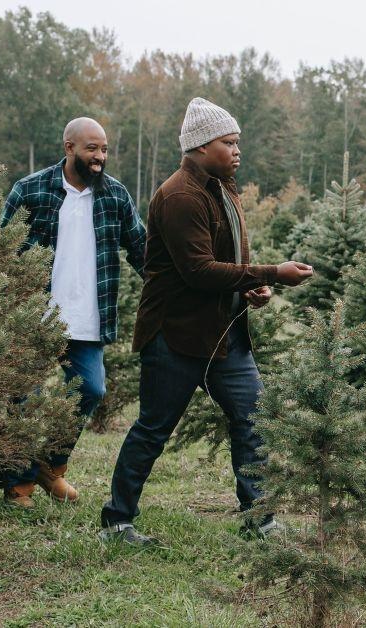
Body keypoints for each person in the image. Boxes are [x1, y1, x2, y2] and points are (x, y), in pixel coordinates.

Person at [98, 97, 314, 545]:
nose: (237, 151)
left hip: (224, 335)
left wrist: (250, 287)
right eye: (228, 143)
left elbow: (227, 257)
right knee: (153, 428)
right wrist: (274, 272)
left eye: (238, 143)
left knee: (254, 418)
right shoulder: (180, 195)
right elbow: (197, 269)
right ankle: (118, 521)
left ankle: (260, 518)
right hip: (175, 336)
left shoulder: (223, 187)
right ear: (199, 146)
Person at [0, 117, 146, 507]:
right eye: (91, 149)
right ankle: (19, 482)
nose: (99, 157)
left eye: (104, 149)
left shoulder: (114, 195)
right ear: (69, 148)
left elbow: (141, 250)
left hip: (87, 318)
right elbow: (0, 251)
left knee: (91, 388)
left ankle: (52, 466)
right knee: (25, 398)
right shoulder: (30, 190)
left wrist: (179, 286)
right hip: (34, 317)